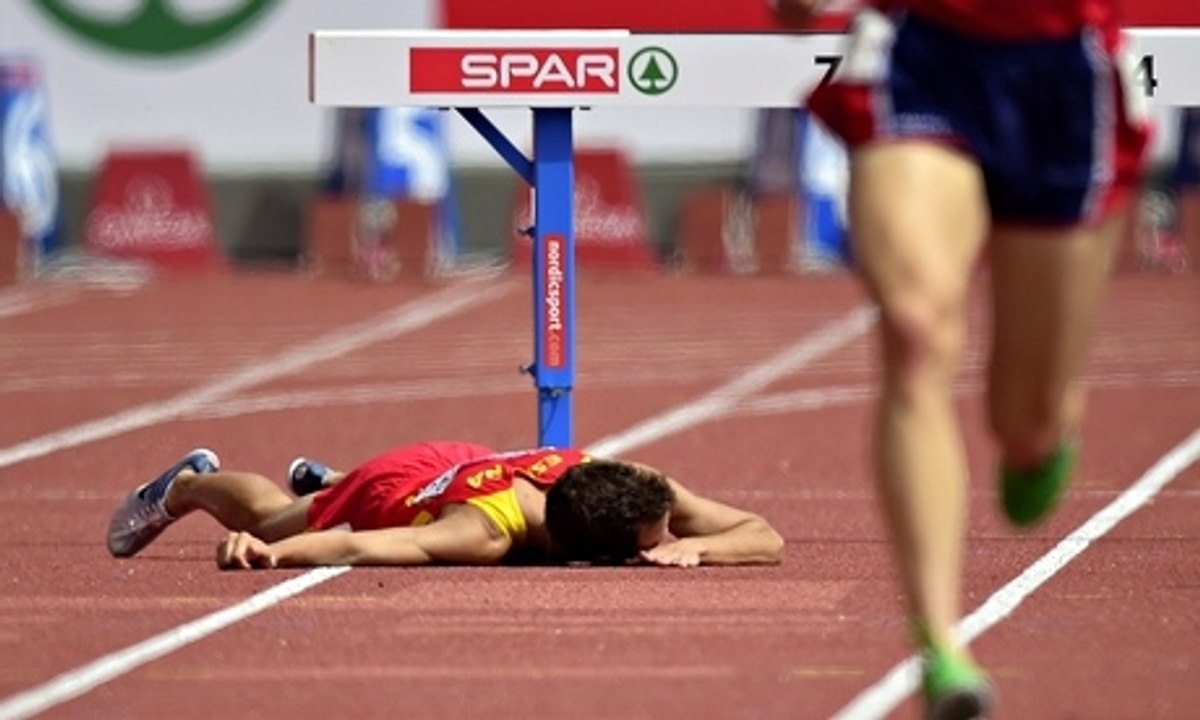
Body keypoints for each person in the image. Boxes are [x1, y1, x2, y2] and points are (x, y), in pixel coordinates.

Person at [772, 0, 1152, 718]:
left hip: (1064, 71)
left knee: (1029, 421)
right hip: (921, 51)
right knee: (914, 329)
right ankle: (940, 644)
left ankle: (1042, 438)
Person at [106, 442, 784, 570]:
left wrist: (704, 545)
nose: (663, 538)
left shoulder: (634, 486)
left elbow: (765, 536)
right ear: (589, 553)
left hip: (471, 462)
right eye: (648, 542)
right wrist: (271, 554)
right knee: (275, 514)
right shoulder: (483, 535)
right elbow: (359, 544)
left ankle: (324, 471)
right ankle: (190, 483)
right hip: (400, 489)